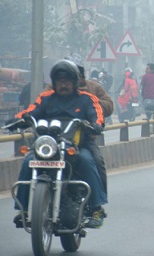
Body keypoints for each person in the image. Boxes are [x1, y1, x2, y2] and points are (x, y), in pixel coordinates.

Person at [12, 60, 107, 228]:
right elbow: (30, 111)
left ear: (75, 82)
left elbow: (97, 114)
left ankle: (96, 208)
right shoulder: (46, 98)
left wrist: (96, 124)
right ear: (54, 83)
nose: (63, 85)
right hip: (48, 145)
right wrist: (19, 119)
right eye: (59, 81)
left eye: (67, 81)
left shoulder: (87, 99)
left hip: (77, 145)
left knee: (88, 160)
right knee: (28, 162)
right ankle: (24, 210)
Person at [62, 54, 113, 195]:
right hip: (55, 140)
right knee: (30, 161)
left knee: (95, 161)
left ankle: (98, 201)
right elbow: (37, 108)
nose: (65, 82)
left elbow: (108, 105)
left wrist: (90, 106)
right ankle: (24, 208)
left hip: (82, 140)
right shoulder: (52, 91)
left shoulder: (91, 91)